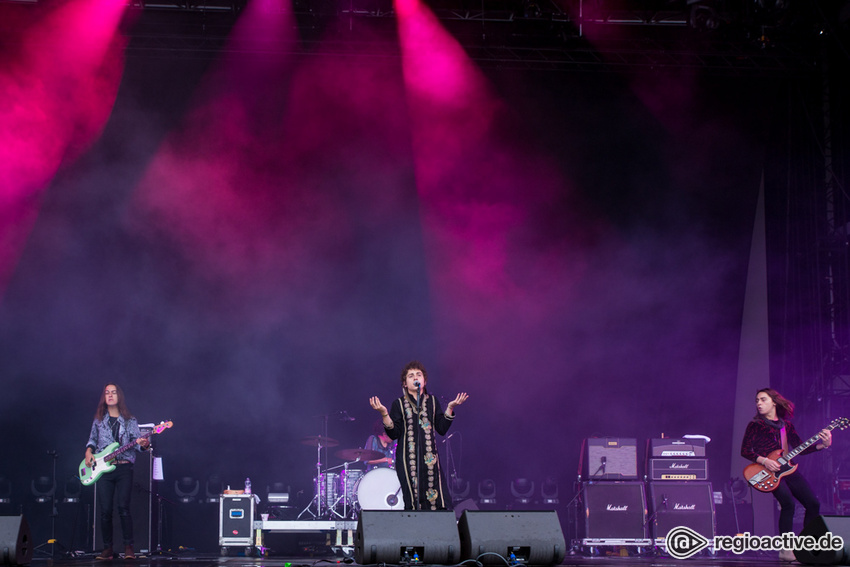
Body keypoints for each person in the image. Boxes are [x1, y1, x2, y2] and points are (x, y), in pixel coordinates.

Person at [741, 387, 832, 561]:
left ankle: (807, 546)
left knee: (813, 504)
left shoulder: (786, 426)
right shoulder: (755, 425)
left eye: (763, 399)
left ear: (774, 402)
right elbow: (745, 450)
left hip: (788, 468)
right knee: (788, 504)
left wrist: (824, 445)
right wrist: (765, 461)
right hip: (767, 471)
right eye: (757, 400)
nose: (759, 403)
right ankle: (785, 549)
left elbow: (801, 448)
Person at [369, 360, 468, 510]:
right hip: (407, 461)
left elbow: (441, 428)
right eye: (411, 376)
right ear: (404, 383)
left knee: (437, 501)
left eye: (418, 375)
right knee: (412, 501)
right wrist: (384, 414)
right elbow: (394, 432)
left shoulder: (433, 402)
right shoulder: (399, 404)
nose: (415, 378)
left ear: (424, 381)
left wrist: (450, 408)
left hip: (431, 463)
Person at [84, 384, 150, 560]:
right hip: (104, 470)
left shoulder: (130, 420)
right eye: (107, 392)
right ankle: (107, 549)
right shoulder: (99, 420)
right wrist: (88, 452)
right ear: (104, 397)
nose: (110, 395)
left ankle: (129, 547)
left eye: (113, 392)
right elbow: (92, 440)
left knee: (123, 507)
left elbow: (137, 444)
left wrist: (144, 444)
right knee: (105, 510)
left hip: (123, 468)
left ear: (119, 396)